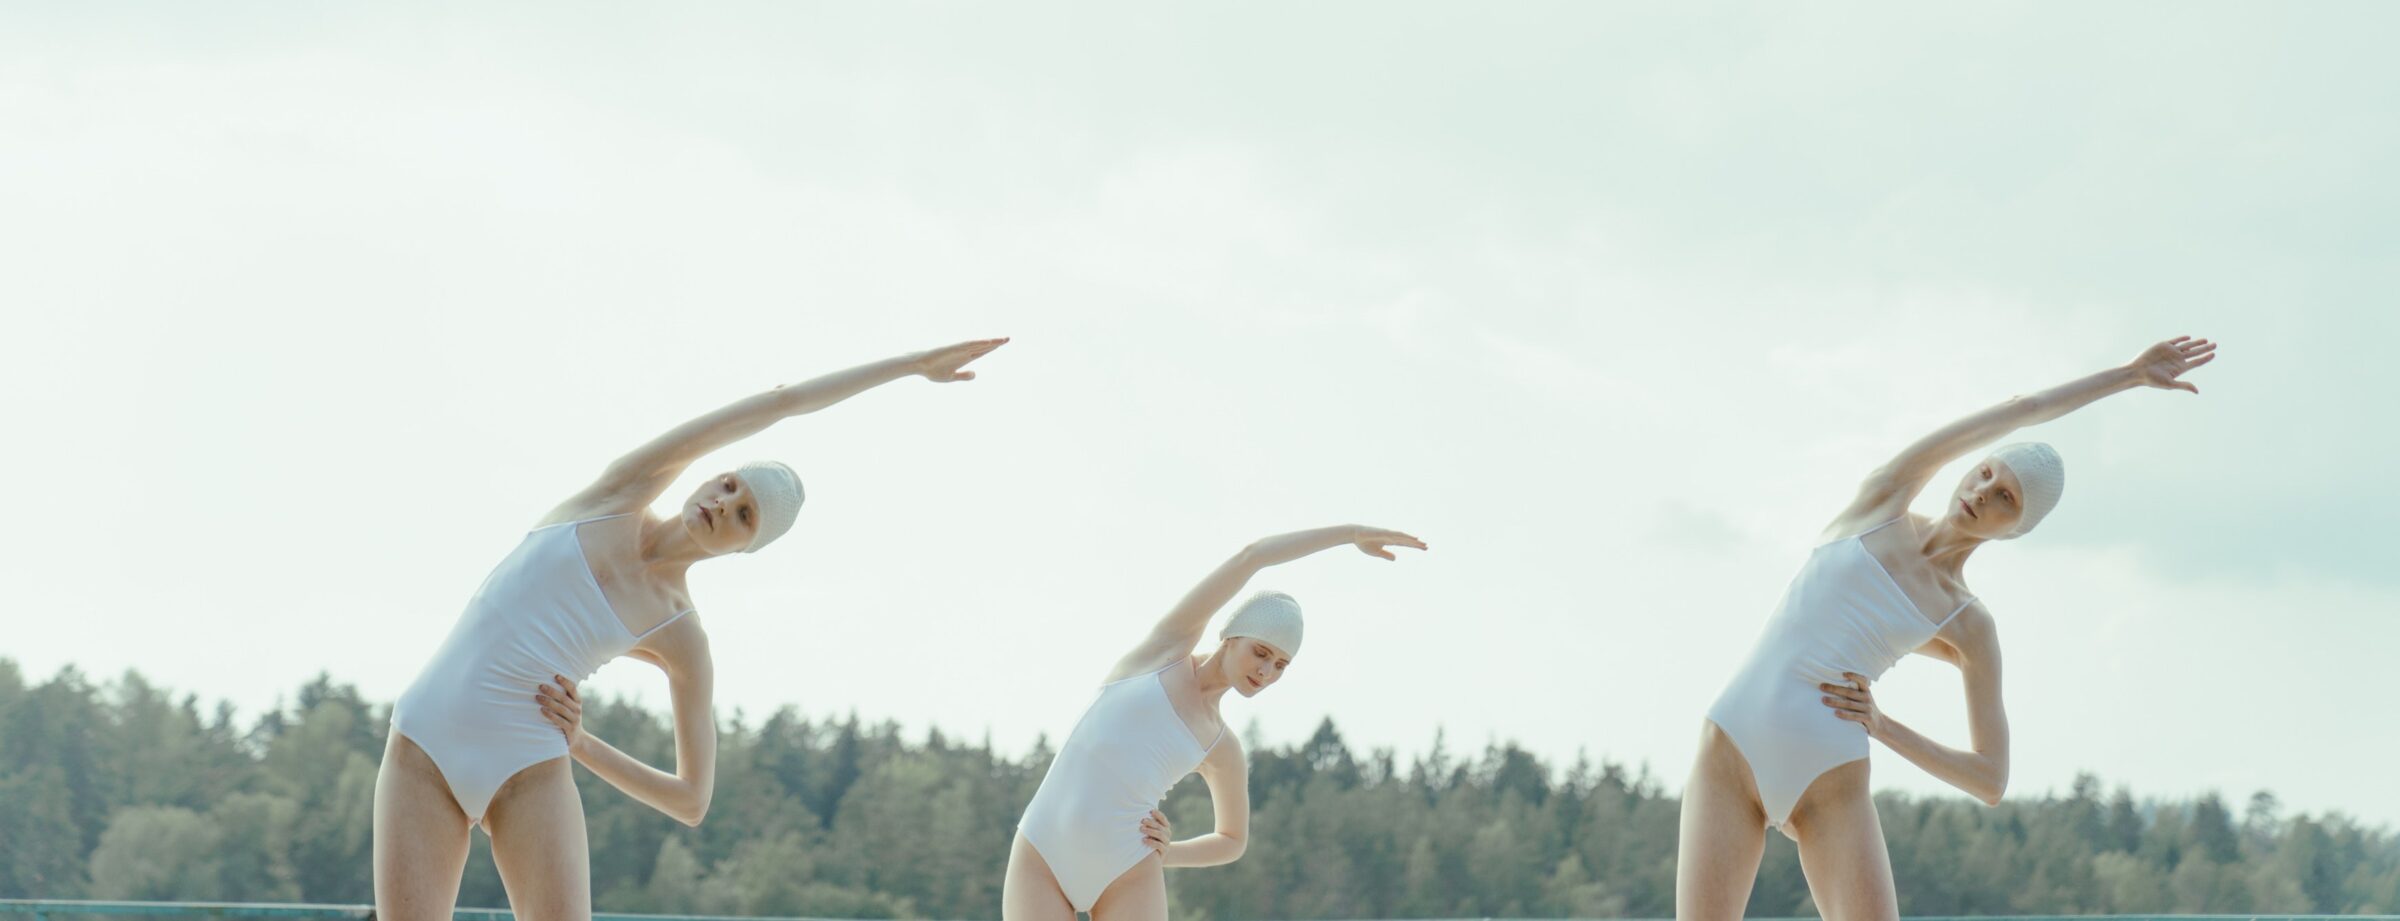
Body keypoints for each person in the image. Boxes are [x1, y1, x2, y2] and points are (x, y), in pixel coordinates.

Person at [373, 337, 1009, 921]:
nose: (723, 505)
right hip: (426, 744)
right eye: (730, 486)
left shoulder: (681, 635)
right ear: (712, 473)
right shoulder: (620, 491)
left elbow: (691, 799)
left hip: (529, 769)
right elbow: (781, 403)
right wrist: (911, 365)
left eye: (743, 516)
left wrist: (584, 743)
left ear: (743, 549)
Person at [1676, 336, 2218, 919]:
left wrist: (1884, 726)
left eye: (2005, 497)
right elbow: (2023, 408)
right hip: (1731, 747)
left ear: (2015, 529)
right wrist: (2129, 375)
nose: (1983, 492)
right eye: (1986, 472)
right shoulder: (1883, 497)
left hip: (1829, 781)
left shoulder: (1967, 622)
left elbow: (1990, 779)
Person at [1001, 525, 1427, 921]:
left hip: (1127, 870)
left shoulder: (1222, 747)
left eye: (1281, 665)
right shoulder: (1162, 652)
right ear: (1230, 636)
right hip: (1043, 851)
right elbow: (1252, 556)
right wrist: (1350, 534)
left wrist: (1170, 853)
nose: (1267, 672)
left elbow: (1232, 840)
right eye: (1260, 652)